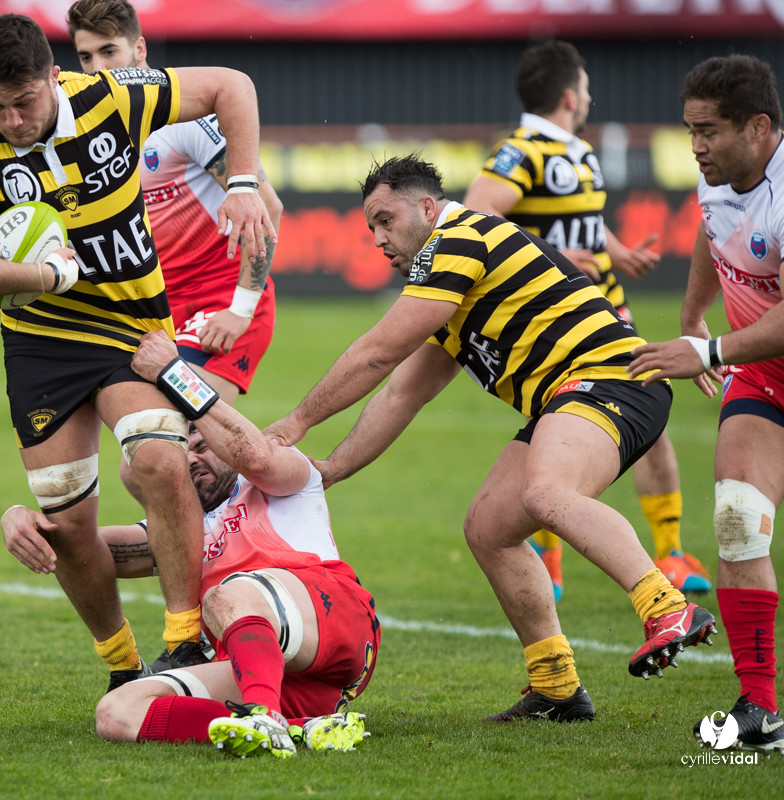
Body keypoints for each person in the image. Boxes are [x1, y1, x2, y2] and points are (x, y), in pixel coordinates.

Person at [266, 154, 718, 721]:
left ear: (427, 208)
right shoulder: (448, 286)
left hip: (610, 378)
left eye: (386, 220)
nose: (378, 239)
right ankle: (555, 686)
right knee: (488, 528)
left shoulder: (458, 237)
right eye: (370, 228)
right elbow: (403, 394)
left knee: (546, 492)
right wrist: (330, 469)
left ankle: (665, 606)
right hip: (572, 395)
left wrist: (297, 422)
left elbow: (379, 351)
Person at [0, 14, 276, 686]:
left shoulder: (111, 97)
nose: (13, 119)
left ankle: (185, 641)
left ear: (55, 77)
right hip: (41, 347)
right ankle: (120, 663)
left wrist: (245, 182)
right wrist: (40, 276)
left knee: (161, 458)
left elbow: (233, 85)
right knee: (67, 522)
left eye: (25, 101)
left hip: (130, 328)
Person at [2, 329, 378, 758]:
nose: (192, 459)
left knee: (227, 593)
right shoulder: (178, 530)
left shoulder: (288, 480)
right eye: (182, 454)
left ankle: (260, 713)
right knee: (117, 713)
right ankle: (301, 727)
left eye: (200, 444)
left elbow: (255, 456)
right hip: (269, 670)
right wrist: (21, 518)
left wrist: (173, 372)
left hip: (335, 624)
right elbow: (83, 548)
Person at [67, 0, 284, 670]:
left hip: (221, 310)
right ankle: (223, 569)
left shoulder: (179, 119)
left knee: (159, 460)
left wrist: (242, 309)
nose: (98, 68)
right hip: (153, 320)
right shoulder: (82, 129)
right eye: (84, 57)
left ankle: (202, 615)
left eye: (110, 53)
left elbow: (266, 210)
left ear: (139, 52)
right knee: (166, 469)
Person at [462, 40, 710, 601]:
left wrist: (616, 251)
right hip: (557, 319)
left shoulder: (577, 151)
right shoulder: (521, 151)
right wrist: (546, 247)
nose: (593, 95)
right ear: (571, 94)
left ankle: (669, 553)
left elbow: (583, 223)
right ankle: (558, 558)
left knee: (647, 427)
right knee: (561, 433)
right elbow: (476, 215)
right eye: (588, 86)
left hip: (606, 307)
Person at [627, 54, 784, 753]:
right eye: (690, 130)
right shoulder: (718, 176)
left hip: (746, 358)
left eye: (709, 131)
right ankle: (761, 709)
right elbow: (710, 232)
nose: (695, 147)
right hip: (766, 377)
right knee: (738, 519)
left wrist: (712, 351)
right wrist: (694, 314)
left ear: (759, 127)